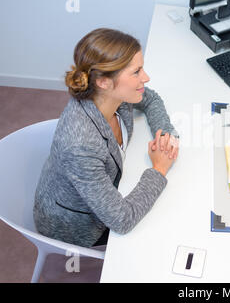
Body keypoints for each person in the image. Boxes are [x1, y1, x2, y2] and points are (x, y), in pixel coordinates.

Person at [34, 28, 179, 248]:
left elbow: (151, 99)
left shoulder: (116, 95)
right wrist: (159, 169)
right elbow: (122, 220)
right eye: (136, 72)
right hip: (77, 226)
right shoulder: (80, 144)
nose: (146, 78)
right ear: (104, 82)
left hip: (107, 191)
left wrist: (164, 133)